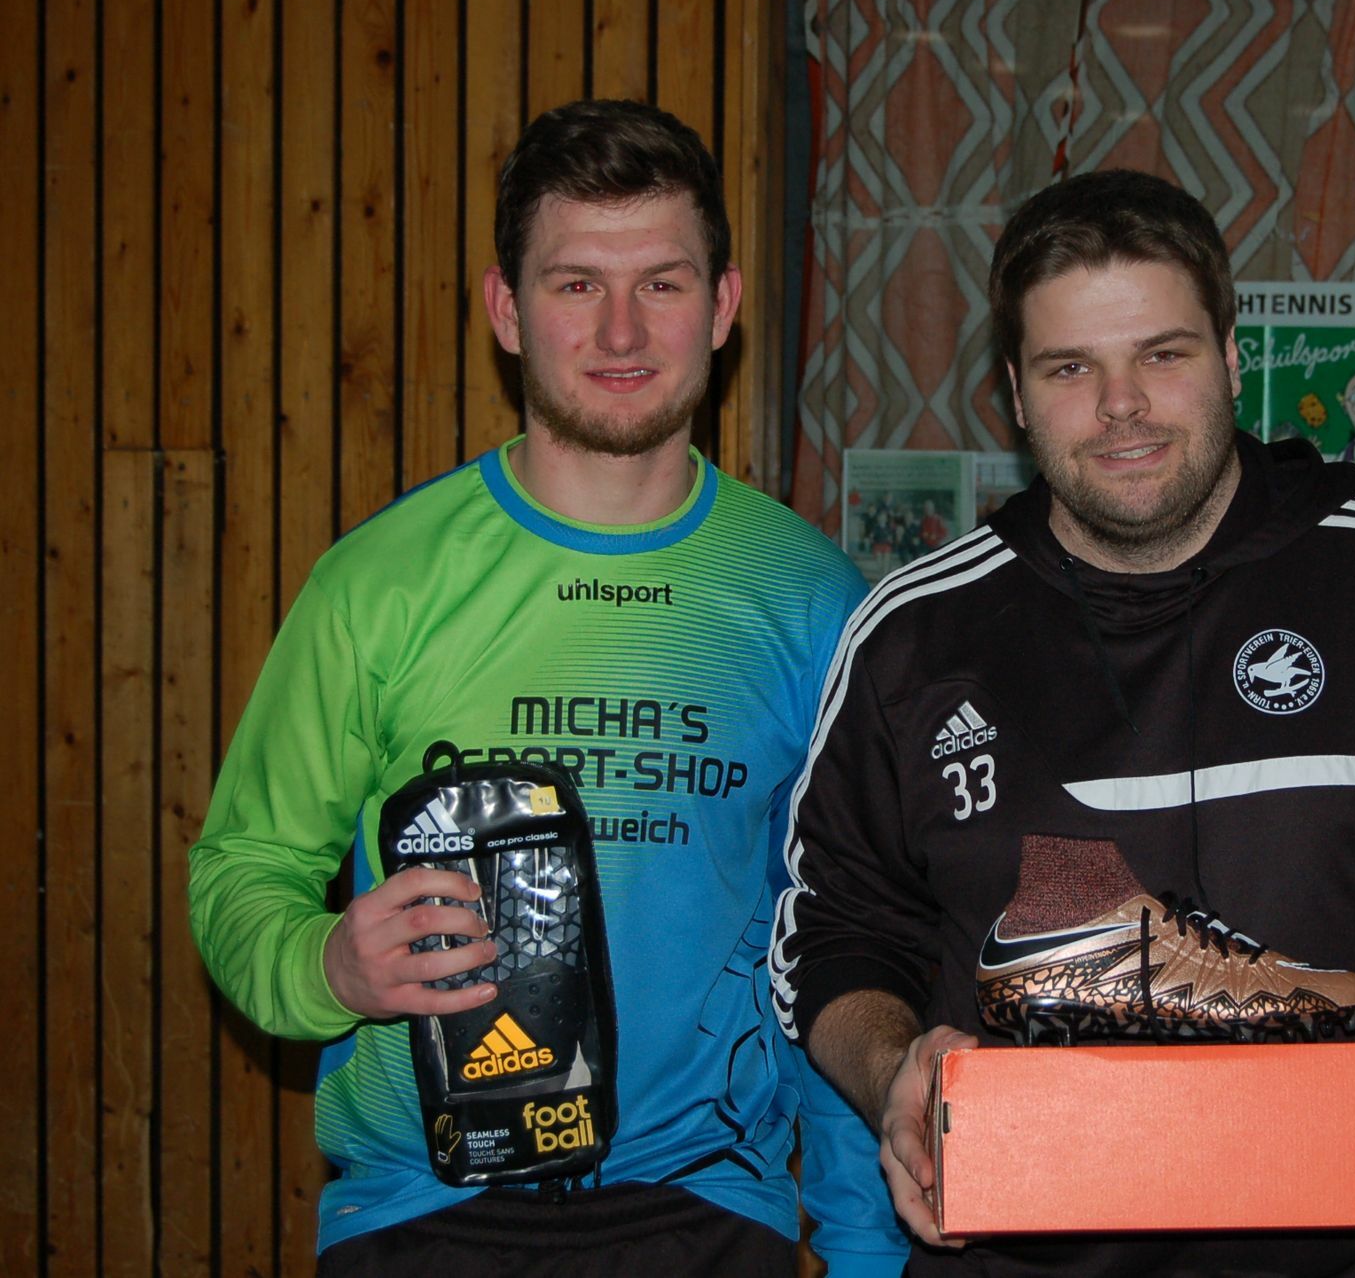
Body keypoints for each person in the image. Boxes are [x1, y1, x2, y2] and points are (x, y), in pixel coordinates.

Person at [770, 169, 1355, 1275]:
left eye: (1161, 355)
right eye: (1070, 368)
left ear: (1229, 358)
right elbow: (833, 932)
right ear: (1015, 394)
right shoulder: (914, 634)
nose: (1120, 404)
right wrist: (896, 1077)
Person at [188, 100, 906, 1277]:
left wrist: (865, 1251)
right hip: (420, 1211)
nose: (621, 329)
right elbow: (241, 868)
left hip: (704, 1210)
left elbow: (839, 938)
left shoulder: (811, 598)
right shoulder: (379, 584)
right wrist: (326, 967)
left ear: (722, 305)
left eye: (662, 283)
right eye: (576, 284)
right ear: (507, 311)